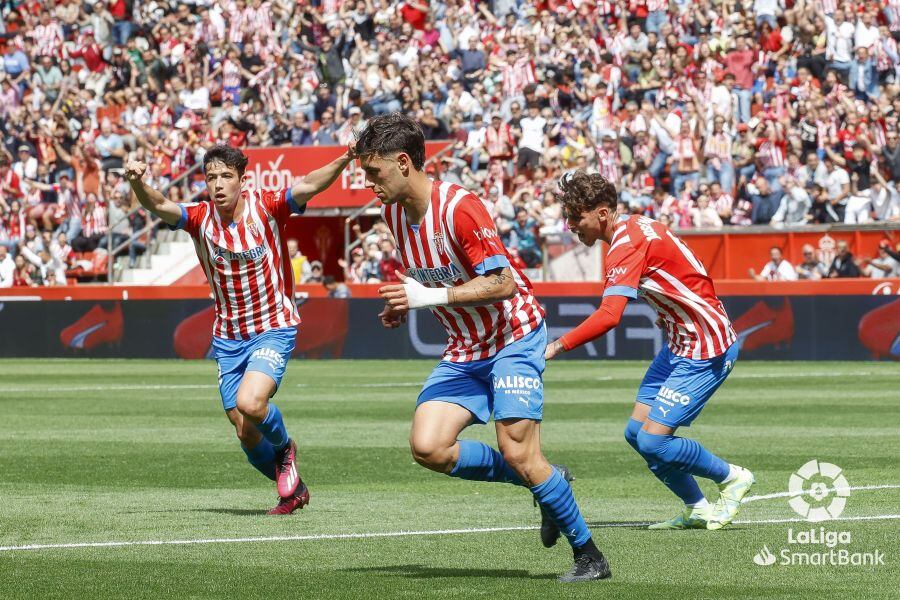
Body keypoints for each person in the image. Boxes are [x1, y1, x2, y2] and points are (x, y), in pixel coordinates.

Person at [359, 114, 610, 583]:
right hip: (466, 345)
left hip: (514, 336)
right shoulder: (394, 212)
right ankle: (550, 481)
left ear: (403, 163)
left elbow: (502, 282)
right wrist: (406, 302)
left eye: (374, 172)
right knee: (428, 447)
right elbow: (433, 272)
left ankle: (590, 557)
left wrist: (426, 297)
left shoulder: (460, 207)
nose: (368, 183)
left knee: (516, 451)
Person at [124, 143, 356, 515]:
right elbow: (158, 204)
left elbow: (310, 184)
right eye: (211, 177)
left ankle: (285, 451)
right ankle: (293, 492)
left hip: (272, 326)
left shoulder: (266, 206)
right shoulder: (199, 218)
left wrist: (346, 158)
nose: (217, 184)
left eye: (225, 177)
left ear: (241, 180)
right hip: (229, 336)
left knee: (251, 403)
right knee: (245, 432)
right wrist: (138, 183)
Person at [545, 170, 753, 531]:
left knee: (653, 441)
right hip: (681, 342)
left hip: (705, 349)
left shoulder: (626, 244)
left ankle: (732, 477)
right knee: (635, 433)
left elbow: (610, 316)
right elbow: (690, 273)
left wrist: (556, 346)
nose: (571, 226)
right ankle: (697, 507)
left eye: (576, 217)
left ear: (602, 213)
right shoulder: (638, 226)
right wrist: (675, 309)